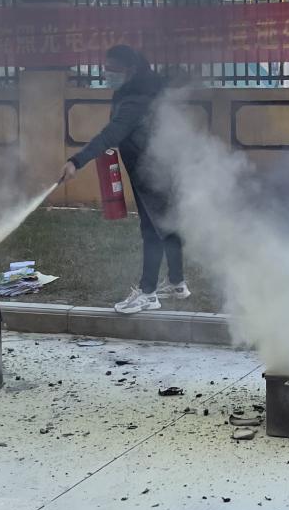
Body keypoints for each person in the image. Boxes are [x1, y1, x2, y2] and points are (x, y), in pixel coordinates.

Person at [60, 45, 191, 315]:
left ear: (130, 70)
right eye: (105, 68)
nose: (107, 74)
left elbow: (111, 134)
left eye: (113, 70)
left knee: (152, 230)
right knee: (167, 225)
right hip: (165, 165)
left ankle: (148, 293)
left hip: (151, 170)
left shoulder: (134, 101)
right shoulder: (147, 87)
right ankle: (177, 283)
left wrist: (76, 161)